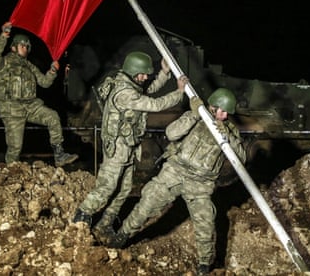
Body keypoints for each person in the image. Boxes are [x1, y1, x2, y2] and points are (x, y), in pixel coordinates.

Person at [105, 88, 246, 276]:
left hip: (201, 183)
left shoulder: (229, 130)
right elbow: (171, 133)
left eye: (228, 112)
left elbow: (241, 158)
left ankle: (205, 266)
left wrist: (227, 136)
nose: (225, 115)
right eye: (222, 110)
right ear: (212, 106)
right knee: (147, 204)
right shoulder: (195, 116)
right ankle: (121, 237)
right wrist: (195, 116)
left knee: (206, 224)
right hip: (175, 171)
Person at [72, 51, 188, 240]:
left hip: (128, 146)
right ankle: (81, 219)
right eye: (142, 74)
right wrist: (179, 92)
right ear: (133, 71)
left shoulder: (130, 85)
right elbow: (154, 104)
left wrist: (164, 73)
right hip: (118, 148)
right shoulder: (124, 92)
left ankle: (105, 224)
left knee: (124, 190)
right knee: (106, 187)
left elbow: (148, 90)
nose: (144, 78)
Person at [0, 21, 78, 166]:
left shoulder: (29, 66)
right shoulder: (3, 63)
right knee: (15, 147)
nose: (25, 48)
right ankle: (11, 172)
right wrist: (4, 35)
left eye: (27, 46)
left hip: (31, 105)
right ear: (13, 48)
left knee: (52, 116)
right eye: (22, 45)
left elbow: (44, 82)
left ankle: (59, 154)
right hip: (12, 109)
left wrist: (52, 71)